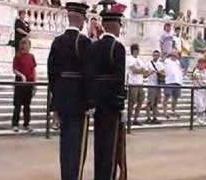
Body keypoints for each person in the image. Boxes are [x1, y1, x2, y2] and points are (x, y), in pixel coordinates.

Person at [47, 2, 91, 180]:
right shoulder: (85, 43)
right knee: (77, 143)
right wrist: (90, 100)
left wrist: (56, 100)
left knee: (65, 141)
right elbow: (89, 74)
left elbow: (52, 74)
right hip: (79, 99)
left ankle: (66, 175)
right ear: (81, 20)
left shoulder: (57, 42)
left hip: (63, 97)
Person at [86, 8, 127, 179]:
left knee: (99, 144)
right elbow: (119, 79)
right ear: (116, 25)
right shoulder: (117, 48)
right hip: (112, 104)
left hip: (98, 103)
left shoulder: (94, 46)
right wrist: (121, 104)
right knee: (111, 146)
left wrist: (91, 100)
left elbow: (90, 75)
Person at [12, 38, 37, 132]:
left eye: (26, 44)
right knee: (17, 105)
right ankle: (15, 124)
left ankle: (26, 124)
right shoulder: (17, 56)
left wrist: (35, 83)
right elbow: (14, 69)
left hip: (29, 82)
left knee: (27, 105)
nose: (24, 46)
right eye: (23, 44)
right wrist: (21, 75)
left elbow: (34, 69)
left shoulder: (31, 56)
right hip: (20, 82)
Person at [126, 44, 146, 126]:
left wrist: (140, 70)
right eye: (137, 50)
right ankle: (129, 119)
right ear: (134, 50)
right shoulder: (129, 59)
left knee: (140, 100)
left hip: (140, 83)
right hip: (132, 83)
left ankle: (135, 118)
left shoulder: (140, 60)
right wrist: (140, 70)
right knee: (132, 102)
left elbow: (144, 71)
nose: (138, 51)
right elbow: (134, 70)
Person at [144, 50, 165, 124]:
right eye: (154, 55)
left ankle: (154, 117)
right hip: (151, 84)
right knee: (149, 102)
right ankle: (148, 117)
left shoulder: (160, 64)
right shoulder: (148, 63)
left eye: (157, 55)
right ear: (152, 55)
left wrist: (159, 72)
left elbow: (164, 73)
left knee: (156, 102)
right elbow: (145, 75)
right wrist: (151, 72)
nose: (156, 56)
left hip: (158, 84)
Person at [163, 50, 184, 119]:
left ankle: (173, 111)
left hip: (177, 81)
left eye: (176, 54)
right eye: (174, 53)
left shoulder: (178, 62)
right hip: (169, 81)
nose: (175, 55)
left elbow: (184, 67)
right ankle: (165, 112)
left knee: (175, 98)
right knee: (167, 96)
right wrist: (168, 54)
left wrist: (180, 58)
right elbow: (162, 59)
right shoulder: (167, 60)